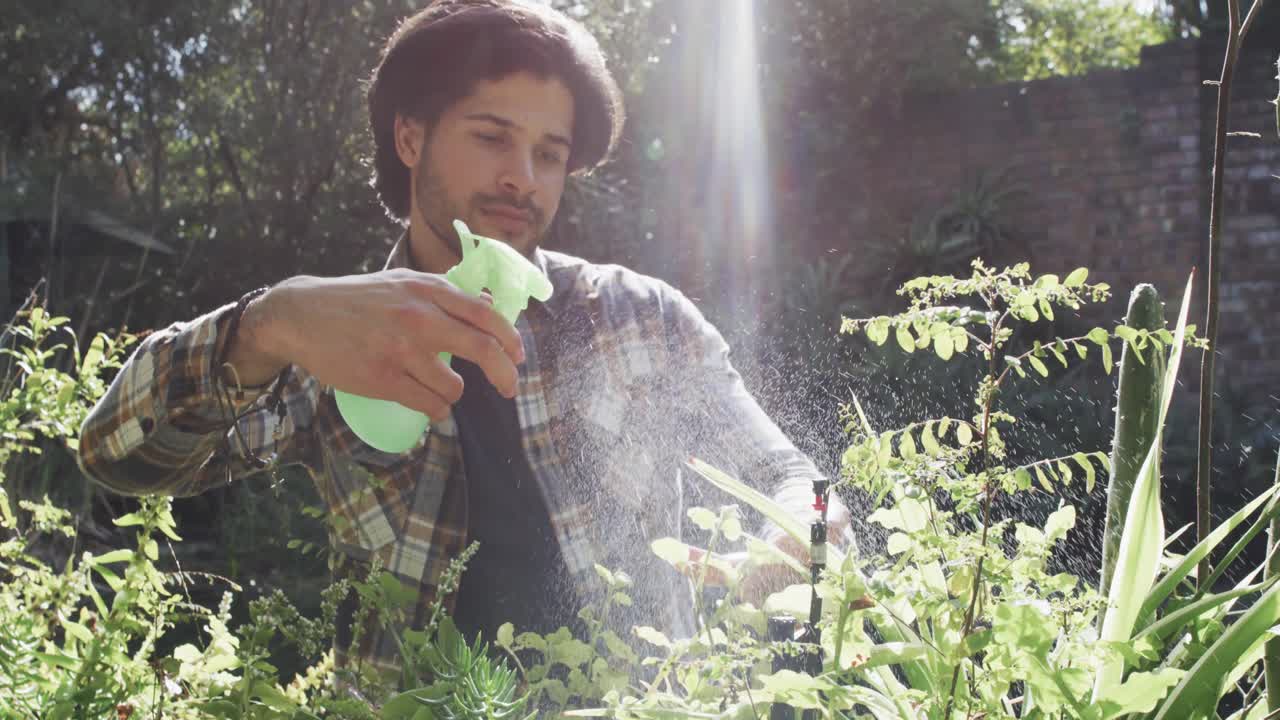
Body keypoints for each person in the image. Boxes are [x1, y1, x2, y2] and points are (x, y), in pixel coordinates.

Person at [77, 0, 850, 683]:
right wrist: (267, 322)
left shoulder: (639, 318)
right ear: (410, 137)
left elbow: (790, 474)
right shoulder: (330, 338)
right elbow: (119, 459)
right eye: (491, 136)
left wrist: (805, 528)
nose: (524, 177)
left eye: (550, 152)